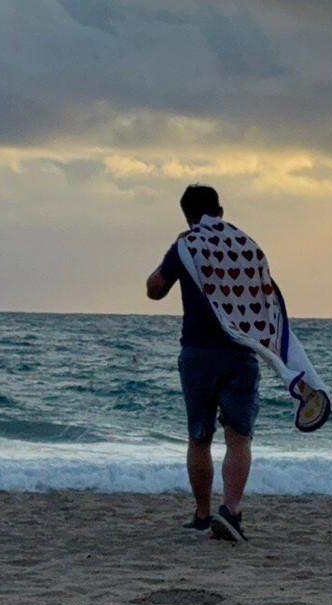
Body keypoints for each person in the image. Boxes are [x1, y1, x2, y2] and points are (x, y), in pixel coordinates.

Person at [146, 185, 257, 542]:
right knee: (239, 439)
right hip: (241, 351)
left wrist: (176, 250)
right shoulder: (245, 246)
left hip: (197, 352)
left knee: (200, 437)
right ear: (220, 210)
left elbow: (155, 288)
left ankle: (203, 514)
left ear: (186, 215)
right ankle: (232, 512)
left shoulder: (186, 246)